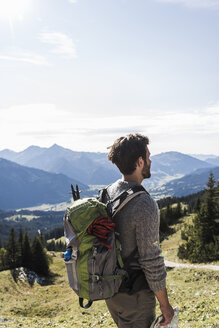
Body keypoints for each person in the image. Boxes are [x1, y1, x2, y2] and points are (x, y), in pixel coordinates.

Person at [104, 133, 174, 328]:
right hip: (135, 296)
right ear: (140, 162)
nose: (151, 160)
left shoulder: (109, 192)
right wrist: (165, 305)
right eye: (148, 156)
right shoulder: (144, 204)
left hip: (112, 292)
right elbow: (151, 260)